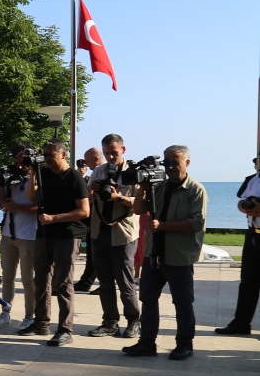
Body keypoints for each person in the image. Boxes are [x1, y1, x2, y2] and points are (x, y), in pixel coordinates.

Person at [123, 146, 207, 360]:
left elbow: (197, 223)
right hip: (154, 254)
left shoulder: (195, 190)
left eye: (175, 162)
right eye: (167, 162)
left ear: (187, 163)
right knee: (148, 299)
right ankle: (147, 343)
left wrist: (164, 226)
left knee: (182, 302)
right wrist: (143, 187)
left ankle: (185, 344)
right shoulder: (159, 187)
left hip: (179, 256)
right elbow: (138, 209)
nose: (170, 167)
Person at [16, 139, 89, 346]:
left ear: (63, 154)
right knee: (40, 279)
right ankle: (41, 323)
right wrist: (33, 171)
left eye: (51, 155)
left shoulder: (74, 177)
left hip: (67, 234)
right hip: (44, 234)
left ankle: (65, 329)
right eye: (45, 155)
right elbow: (31, 197)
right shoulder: (43, 173)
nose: (47, 159)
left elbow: (84, 211)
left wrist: (54, 218)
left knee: (63, 283)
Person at [85, 134, 141, 338]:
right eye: (106, 152)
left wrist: (119, 197)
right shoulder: (98, 171)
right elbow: (86, 199)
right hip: (99, 232)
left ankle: (134, 321)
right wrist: (93, 189)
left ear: (123, 150)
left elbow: (140, 204)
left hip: (123, 234)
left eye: (114, 152)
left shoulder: (133, 173)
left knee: (125, 282)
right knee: (105, 282)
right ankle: (110, 322)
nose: (110, 156)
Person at [0, 143, 38, 330]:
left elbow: (41, 207)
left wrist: (19, 207)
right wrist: (0, 184)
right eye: (16, 162)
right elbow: (3, 205)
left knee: (27, 279)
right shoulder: (10, 176)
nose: (19, 166)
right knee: (7, 276)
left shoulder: (38, 176)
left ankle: (30, 316)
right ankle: (5, 312)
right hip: (8, 233)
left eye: (23, 162)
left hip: (29, 235)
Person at [217, 160, 260, 335]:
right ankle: (241, 323)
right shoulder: (253, 179)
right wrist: (245, 208)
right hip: (253, 234)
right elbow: (242, 201)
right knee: (248, 282)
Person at [75, 147, 105, 293]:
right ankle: (86, 281)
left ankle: (102, 283)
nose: (86, 165)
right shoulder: (95, 174)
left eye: (87, 161)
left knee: (101, 255)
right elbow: (86, 197)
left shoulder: (105, 172)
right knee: (93, 253)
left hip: (107, 220)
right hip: (94, 220)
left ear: (96, 159)